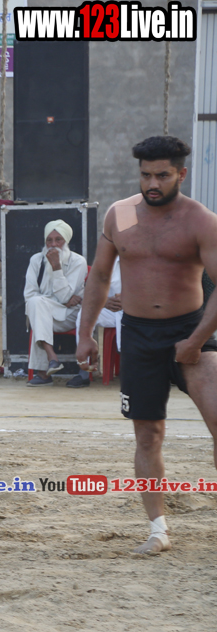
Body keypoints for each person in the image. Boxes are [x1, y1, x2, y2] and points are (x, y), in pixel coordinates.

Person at [75, 136, 217, 555]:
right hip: (138, 335)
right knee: (148, 435)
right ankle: (158, 531)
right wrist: (85, 334)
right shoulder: (120, 214)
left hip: (190, 330)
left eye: (162, 175)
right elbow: (100, 277)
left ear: (181, 174)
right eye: (145, 175)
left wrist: (196, 340)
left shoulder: (200, 220)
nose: (152, 184)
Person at [25, 219, 88, 386]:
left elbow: (67, 298)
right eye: (49, 240)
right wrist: (59, 301)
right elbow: (29, 294)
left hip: (70, 315)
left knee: (37, 307)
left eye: (58, 239)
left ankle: (44, 372)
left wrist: (56, 267)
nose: (53, 245)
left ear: (66, 241)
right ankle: (52, 358)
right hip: (45, 312)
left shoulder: (78, 261)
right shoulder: (36, 260)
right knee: (35, 304)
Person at [69, 258, 123, 389]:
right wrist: (104, 301)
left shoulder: (145, 257)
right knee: (84, 314)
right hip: (112, 309)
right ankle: (84, 371)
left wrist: (131, 300)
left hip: (140, 310)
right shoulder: (107, 259)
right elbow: (91, 292)